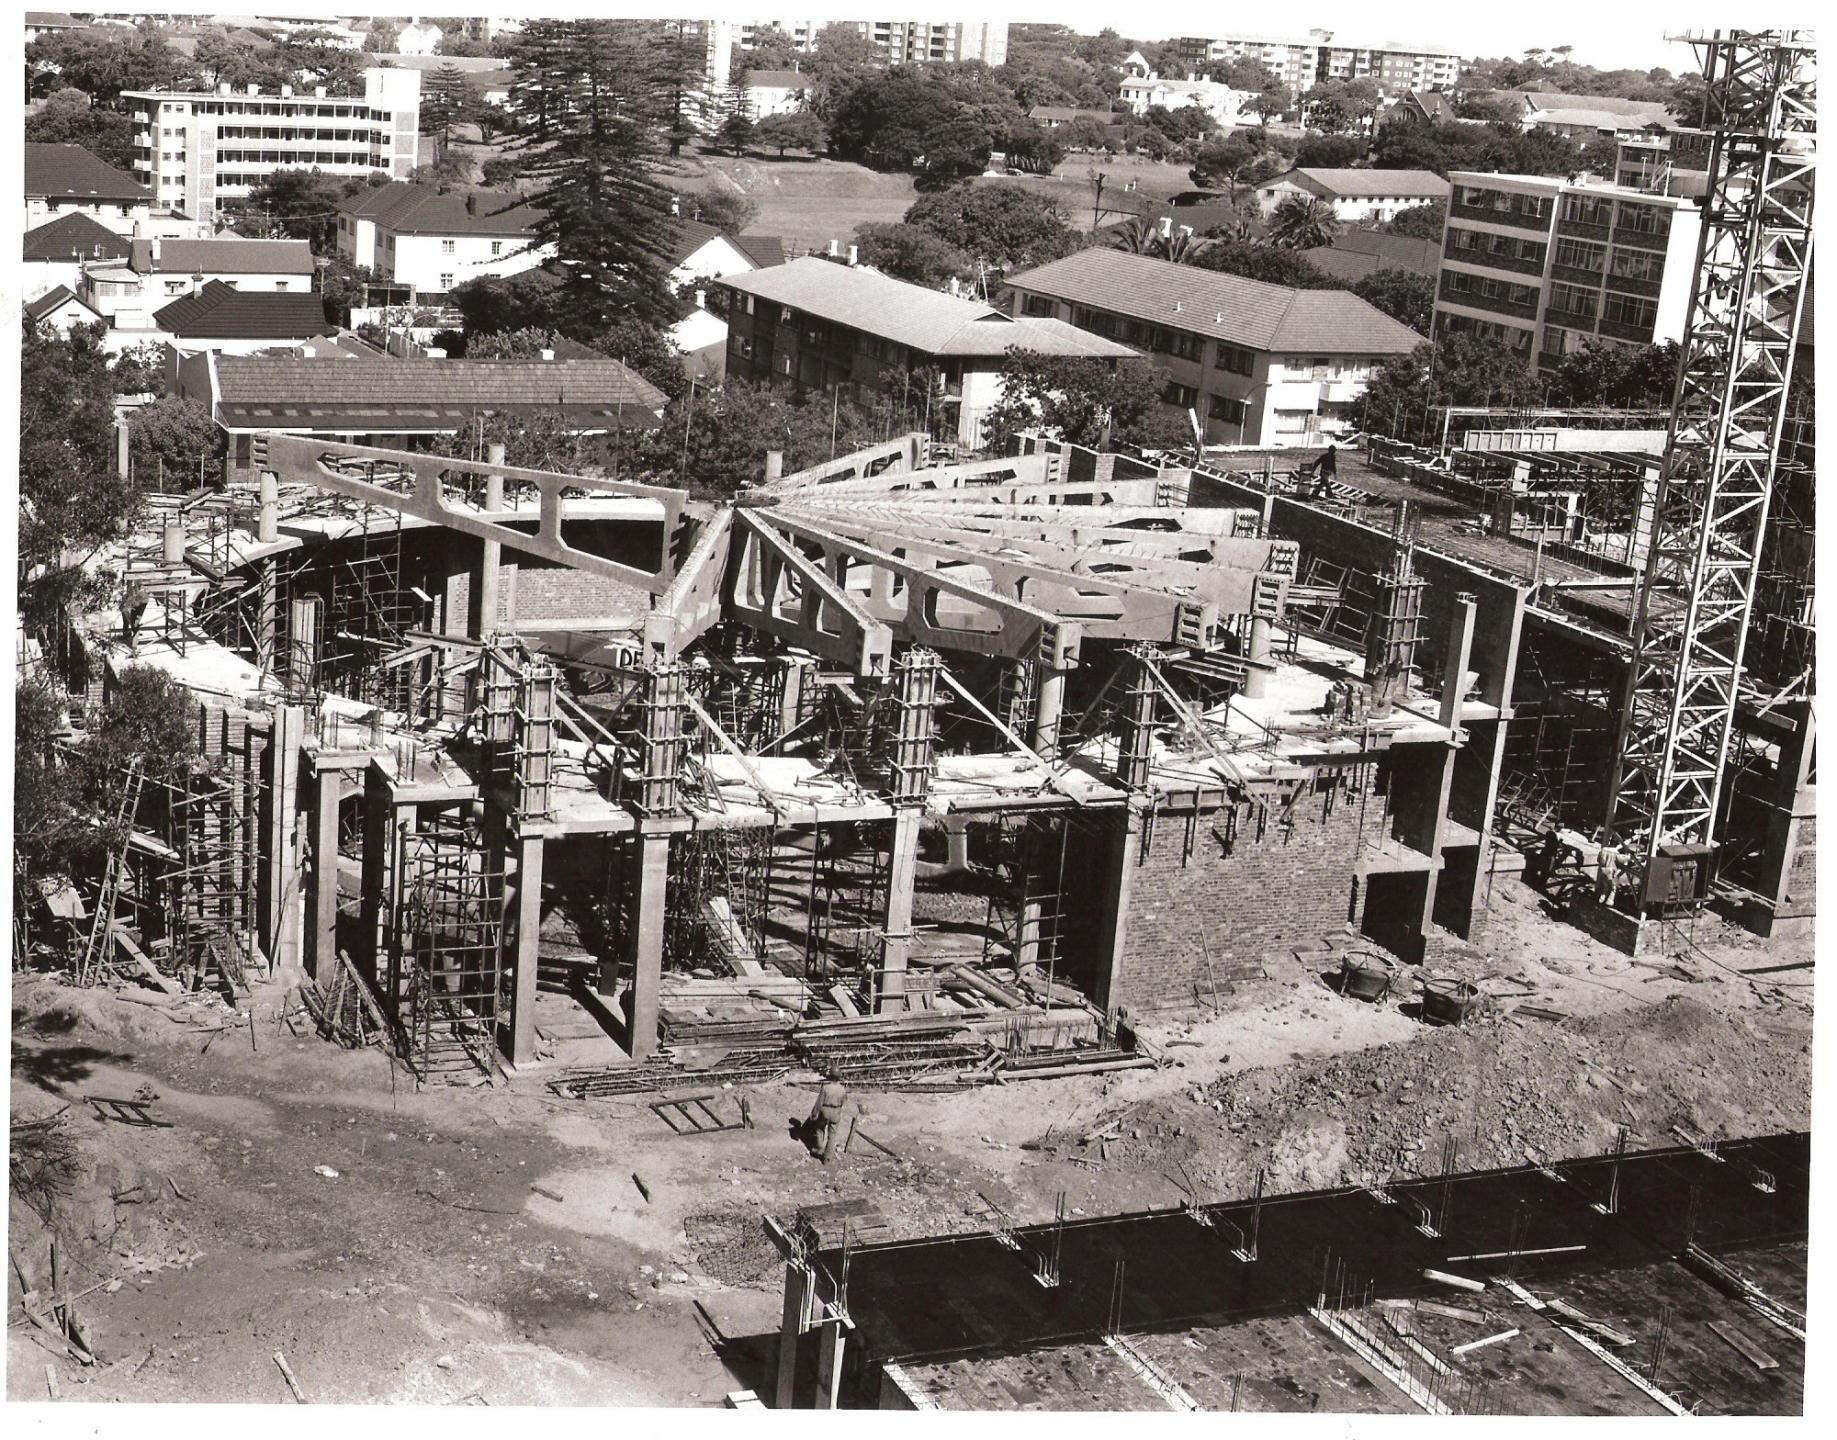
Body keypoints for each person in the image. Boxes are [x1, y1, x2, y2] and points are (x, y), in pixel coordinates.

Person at [806, 1067, 849, 1164]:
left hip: (825, 1111)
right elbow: (844, 1102)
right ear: (839, 1077)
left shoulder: (825, 1087)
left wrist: (814, 1113)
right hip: (836, 1112)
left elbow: (819, 1103)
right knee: (832, 1135)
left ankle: (819, 1148)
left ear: (830, 1076)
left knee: (819, 1129)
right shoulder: (842, 1089)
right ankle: (827, 1158)